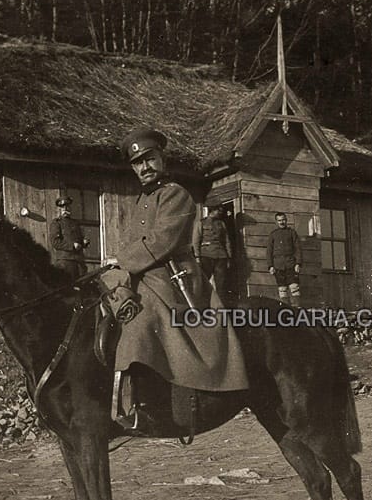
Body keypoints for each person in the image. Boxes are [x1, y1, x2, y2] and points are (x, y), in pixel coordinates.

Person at [98, 127, 249, 428]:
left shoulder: (176, 195)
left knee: (140, 321)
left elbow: (162, 240)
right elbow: (134, 242)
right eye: (137, 162)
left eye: (150, 159)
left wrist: (123, 260)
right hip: (146, 275)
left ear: (162, 158)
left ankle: (142, 403)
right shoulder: (140, 202)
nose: (144, 167)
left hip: (174, 278)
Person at [193, 204, 231, 300]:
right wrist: (197, 257)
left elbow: (227, 241)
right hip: (206, 256)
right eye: (219, 210)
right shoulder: (201, 223)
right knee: (204, 283)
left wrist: (228, 257)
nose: (220, 213)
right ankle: (204, 307)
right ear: (212, 211)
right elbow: (196, 241)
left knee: (221, 285)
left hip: (221, 256)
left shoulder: (221, 224)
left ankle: (220, 309)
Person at [266, 212, 302, 306]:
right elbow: (269, 251)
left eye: (283, 220)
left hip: (290, 264)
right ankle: (286, 311)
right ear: (276, 222)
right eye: (279, 220)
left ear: (286, 220)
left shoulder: (292, 233)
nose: (282, 222)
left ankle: (296, 309)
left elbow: (298, 248)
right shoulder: (273, 234)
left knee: (294, 287)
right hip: (278, 266)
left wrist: (298, 263)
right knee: (282, 289)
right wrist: (270, 266)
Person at [49, 196, 88, 280]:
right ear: (59, 209)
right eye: (62, 207)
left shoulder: (75, 223)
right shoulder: (56, 223)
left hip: (79, 262)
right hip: (65, 262)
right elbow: (55, 242)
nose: (65, 209)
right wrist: (72, 246)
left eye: (67, 206)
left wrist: (83, 242)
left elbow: (78, 242)